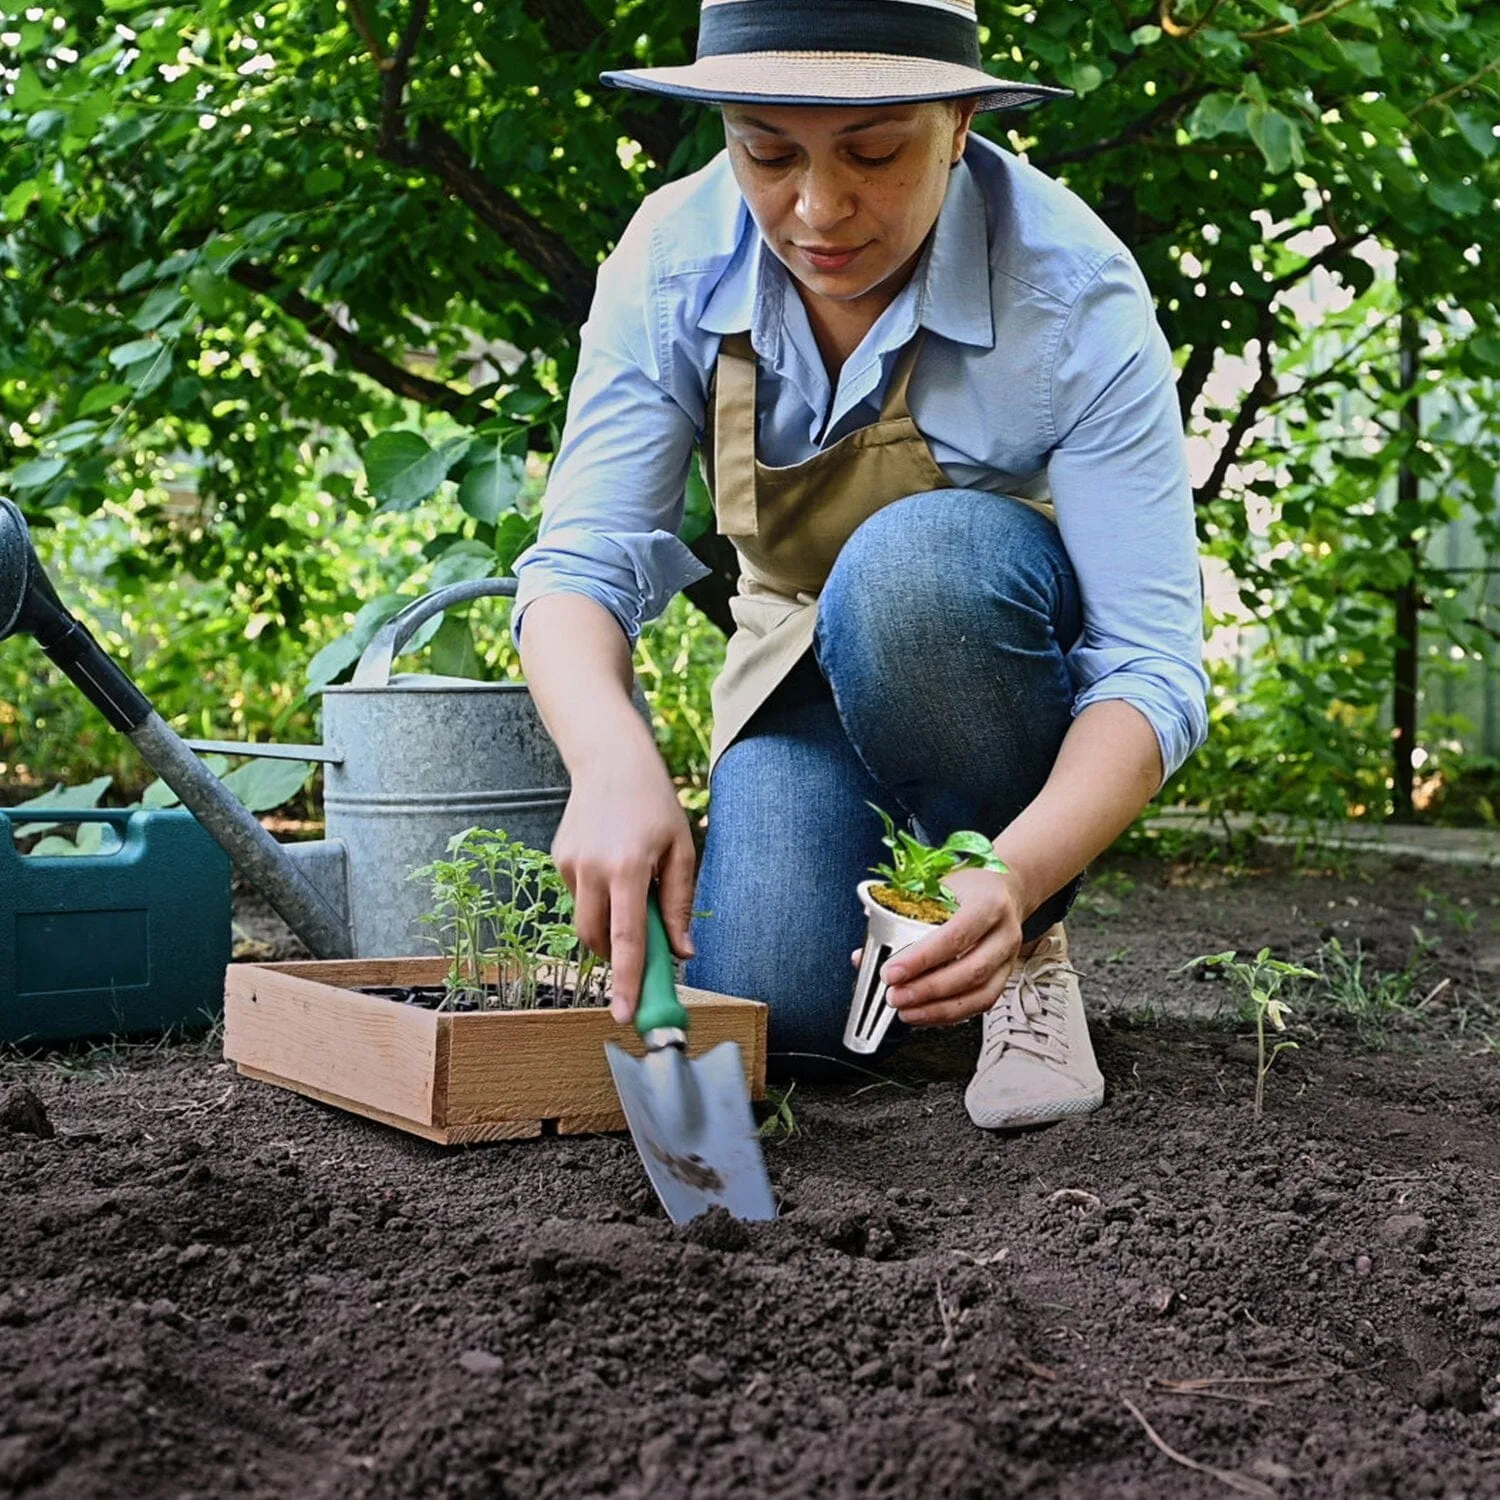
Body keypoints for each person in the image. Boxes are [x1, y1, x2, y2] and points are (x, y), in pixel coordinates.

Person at [513, 0, 1208, 1128]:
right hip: (797, 665)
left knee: (910, 573)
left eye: (876, 153)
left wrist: (1019, 875)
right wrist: (608, 759)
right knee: (781, 1014)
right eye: (767, 151)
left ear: (962, 123)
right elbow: (579, 564)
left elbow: (1154, 666)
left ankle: (1018, 952)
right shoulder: (674, 258)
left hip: (969, 653)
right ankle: (900, 938)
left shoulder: (1072, 294)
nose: (819, 209)